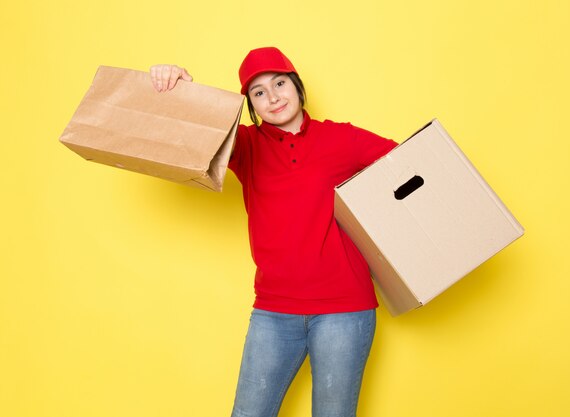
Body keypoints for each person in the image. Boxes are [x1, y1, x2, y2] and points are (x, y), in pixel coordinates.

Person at [150, 47, 397, 417]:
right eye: (259, 93)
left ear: (296, 86)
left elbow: (411, 169)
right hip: (273, 311)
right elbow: (187, 131)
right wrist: (177, 86)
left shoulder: (342, 139)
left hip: (346, 310)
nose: (273, 97)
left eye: (279, 83)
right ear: (249, 105)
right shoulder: (245, 145)